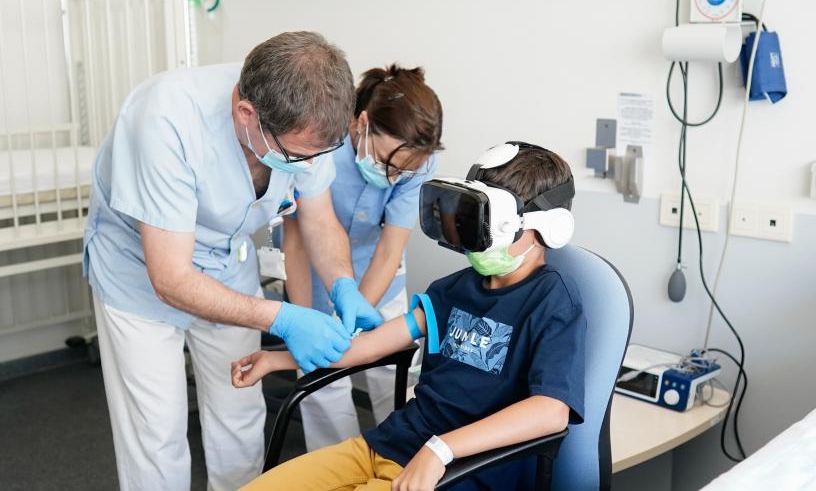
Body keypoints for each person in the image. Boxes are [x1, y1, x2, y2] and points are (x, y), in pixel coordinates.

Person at [82, 31, 383, 491]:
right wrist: (283, 317)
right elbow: (171, 278)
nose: (308, 166)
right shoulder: (166, 121)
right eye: (296, 156)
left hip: (227, 257)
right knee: (156, 432)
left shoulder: (309, 125)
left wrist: (343, 282)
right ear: (246, 115)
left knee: (240, 412)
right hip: (140, 273)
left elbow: (319, 221)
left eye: (317, 156)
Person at [233, 142, 586, 490]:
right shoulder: (452, 290)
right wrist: (278, 359)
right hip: (389, 444)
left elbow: (550, 410)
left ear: (550, 228)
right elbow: (368, 346)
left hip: (462, 469)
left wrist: (441, 450)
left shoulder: (552, 300)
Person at [281, 64, 443, 451]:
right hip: (314, 285)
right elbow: (299, 244)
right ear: (363, 122)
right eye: (387, 162)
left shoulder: (418, 163)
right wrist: (304, 320)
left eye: (405, 171)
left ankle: (393, 467)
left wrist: (354, 318)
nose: (393, 176)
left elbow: (390, 250)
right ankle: (339, 471)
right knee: (323, 384)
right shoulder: (317, 141)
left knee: (395, 381)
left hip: (379, 282)